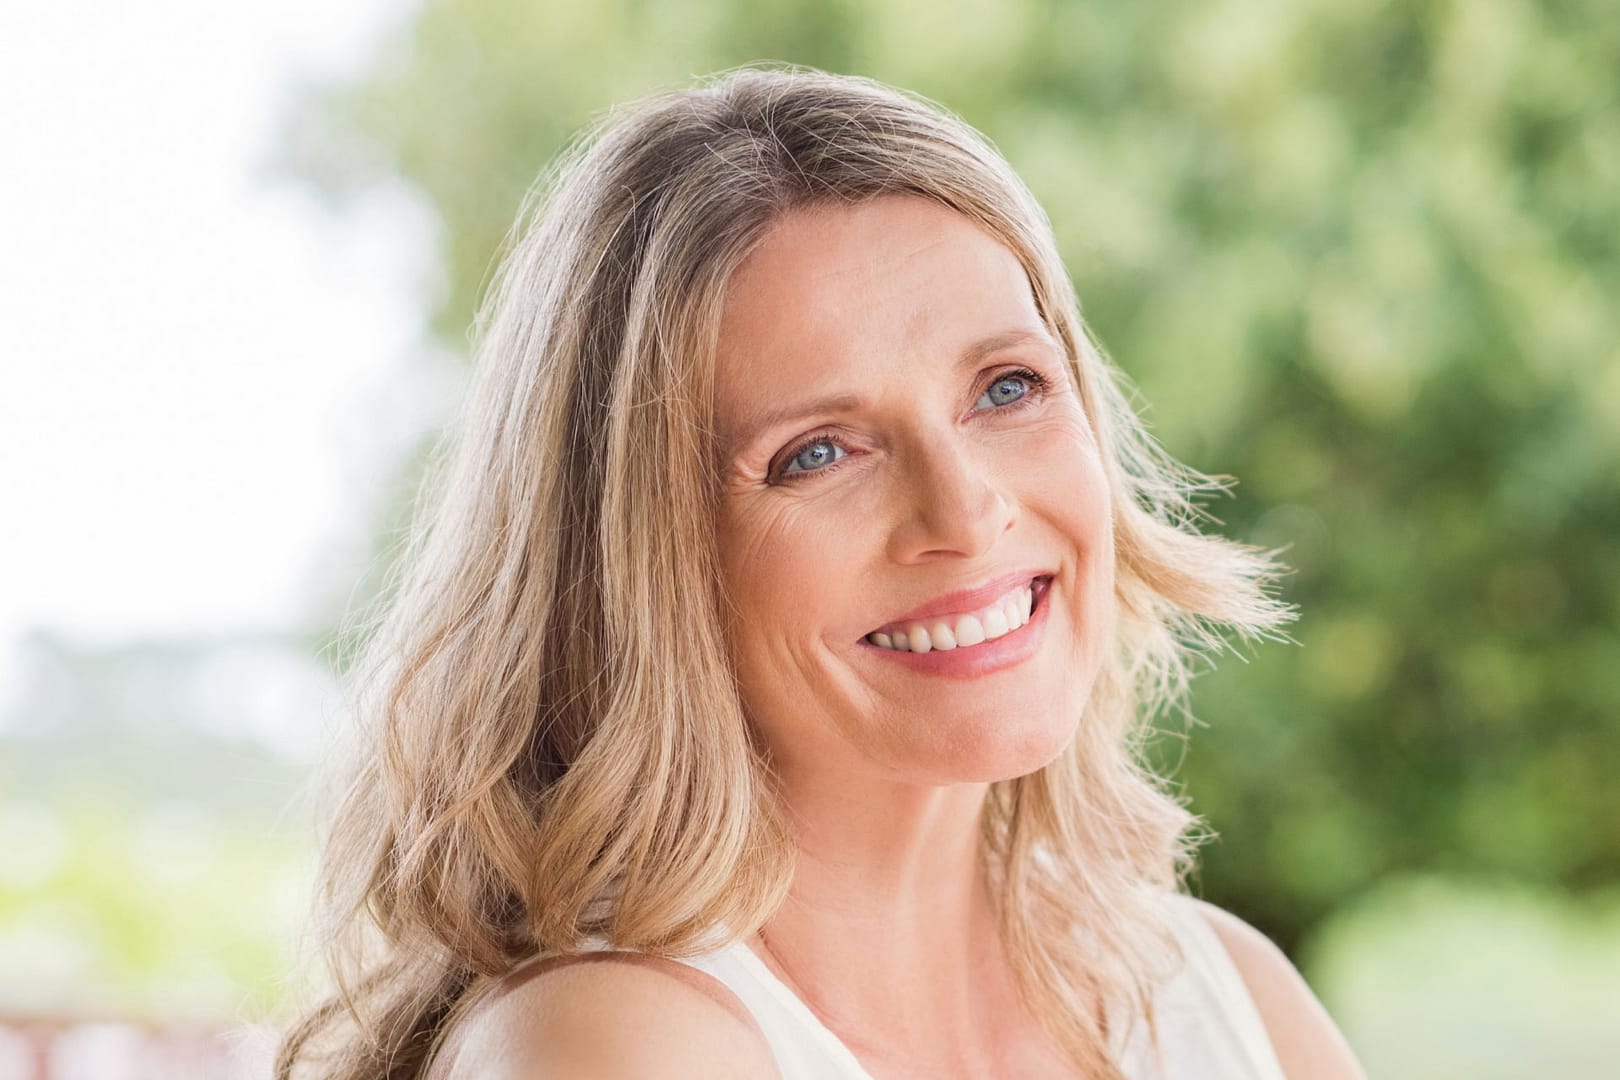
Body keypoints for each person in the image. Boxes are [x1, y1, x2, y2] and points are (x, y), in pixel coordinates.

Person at [276, 66, 1367, 1079]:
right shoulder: (613, 1042)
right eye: (818, 452)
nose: (966, 512)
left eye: (1006, 388)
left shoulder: (1222, 994)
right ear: (645, 562)